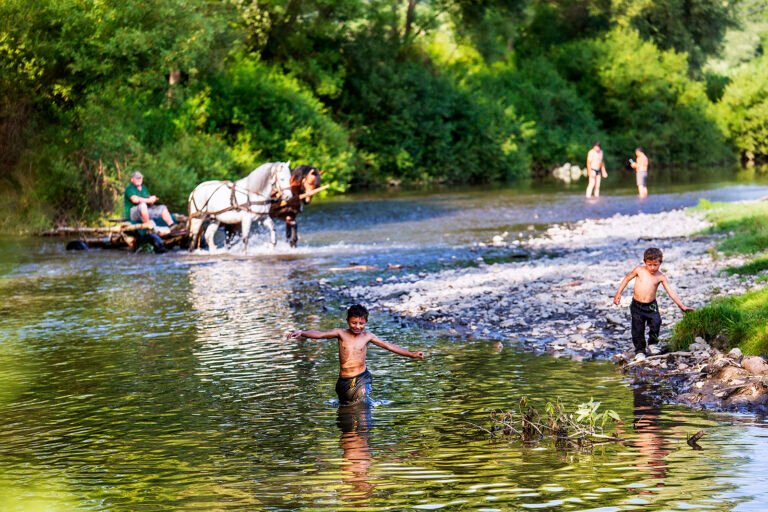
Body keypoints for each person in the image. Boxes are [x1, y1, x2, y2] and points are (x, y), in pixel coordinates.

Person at [289, 304, 425, 405]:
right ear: (348, 321)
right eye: (354, 323)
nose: (357, 326)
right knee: (346, 407)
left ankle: (363, 436)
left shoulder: (367, 336)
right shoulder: (341, 333)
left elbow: (388, 346)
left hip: (361, 378)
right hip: (343, 380)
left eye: (361, 323)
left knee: (361, 405)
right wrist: (302, 332)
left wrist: (411, 354)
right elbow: (320, 334)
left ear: (366, 322)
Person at [613, 247, 693, 356]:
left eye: (655, 265)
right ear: (645, 262)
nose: (652, 268)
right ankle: (640, 350)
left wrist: (682, 306)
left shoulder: (660, 277)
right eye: (649, 264)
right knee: (638, 329)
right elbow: (627, 278)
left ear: (660, 263)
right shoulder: (639, 270)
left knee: (656, 322)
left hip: (651, 306)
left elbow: (670, 292)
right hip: (637, 306)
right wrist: (618, 293)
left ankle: (653, 343)